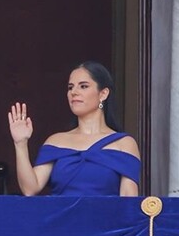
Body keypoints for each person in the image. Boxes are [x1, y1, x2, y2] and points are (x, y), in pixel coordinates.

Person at [8, 61, 140, 196]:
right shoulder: (56, 141)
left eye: (83, 86)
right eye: (70, 88)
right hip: (60, 216)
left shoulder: (124, 144)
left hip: (104, 217)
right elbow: (30, 189)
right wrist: (20, 144)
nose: (74, 92)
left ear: (103, 94)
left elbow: (128, 202)